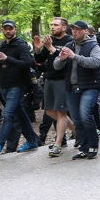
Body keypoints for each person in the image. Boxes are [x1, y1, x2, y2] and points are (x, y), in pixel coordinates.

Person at [0, 20, 40, 156]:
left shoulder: (21, 45)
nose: (8, 31)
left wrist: (7, 59)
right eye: (5, 29)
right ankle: (32, 140)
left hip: (17, 85)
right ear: (2, 31)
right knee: (20, 114)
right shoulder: (2, 46)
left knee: (8, 114)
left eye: (10, 29)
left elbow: (27, 64)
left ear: (15, 29)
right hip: (4, 85)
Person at [53, 20, 100, 159]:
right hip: (71, 87)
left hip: (89, 87)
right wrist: (62, 59)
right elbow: (56, 65)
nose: (74, 32)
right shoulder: (68, 46)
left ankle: (93, 144)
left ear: (85, 31)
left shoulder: (93, 46)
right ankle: (84, 147)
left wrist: (74, 57)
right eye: (73, 29)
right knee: (77, 120)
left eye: (77, 29)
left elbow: (95, 62)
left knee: (85, 115)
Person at [33, 17, 74, 155]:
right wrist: (38, 50)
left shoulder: (69, 41)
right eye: (51, 25)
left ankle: (58, 144)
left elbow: (66, 59)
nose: (52, 27)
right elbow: (39, 60)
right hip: (49, 78)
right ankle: (77, 131)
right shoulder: (51, 39)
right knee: (50, 111)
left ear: (64, 27)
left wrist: (50, 47)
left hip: (62, 79)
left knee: (61, 112)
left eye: (56, 25)